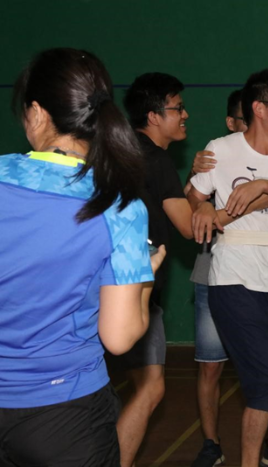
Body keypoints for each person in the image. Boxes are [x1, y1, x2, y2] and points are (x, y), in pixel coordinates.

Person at [0, 47, 165, 466]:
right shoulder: (118, 207)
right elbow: (119, 336)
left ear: (37, 113)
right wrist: (145, 280)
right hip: (65, 417)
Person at [188, 69, 268, 467]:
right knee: (267, 381)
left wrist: (262, 184)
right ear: (259, 108)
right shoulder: (220, 149)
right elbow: (193, 197)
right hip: (232, 279)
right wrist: (203, 206)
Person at [119, 72, 194, 467]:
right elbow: (189, 226)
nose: (185, 115)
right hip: (135, 295)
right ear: (153, 116)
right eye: (177, 108)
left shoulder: (117, 152)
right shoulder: (157, 160)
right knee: (152, 387)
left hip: (103, 290)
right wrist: (251, 196)